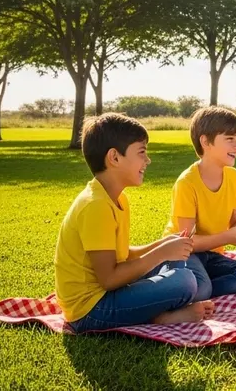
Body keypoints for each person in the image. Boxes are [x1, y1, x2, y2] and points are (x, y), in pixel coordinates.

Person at [55, 113, 212, 333]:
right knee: (184, 281)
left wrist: (163, 245)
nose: (147, 160)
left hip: (109, 295)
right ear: (115, 158)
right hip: (91, 311)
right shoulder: (96, 206)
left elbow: (121, 255)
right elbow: (109, 279)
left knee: (179, 265)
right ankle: (159, 318)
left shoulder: (115, 198)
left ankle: (156, 310)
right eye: (141, 152)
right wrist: (161, 254)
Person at [163, 106, 236, 301]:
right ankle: (193, 288)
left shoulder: (232, 177)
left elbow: (234, 222)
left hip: (211, 255)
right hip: (181, 254)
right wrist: (228, 237)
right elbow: (186, 243)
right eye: (230, 139)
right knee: (201, 288)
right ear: (206, 141)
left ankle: (195, 289)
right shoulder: (187, 183)